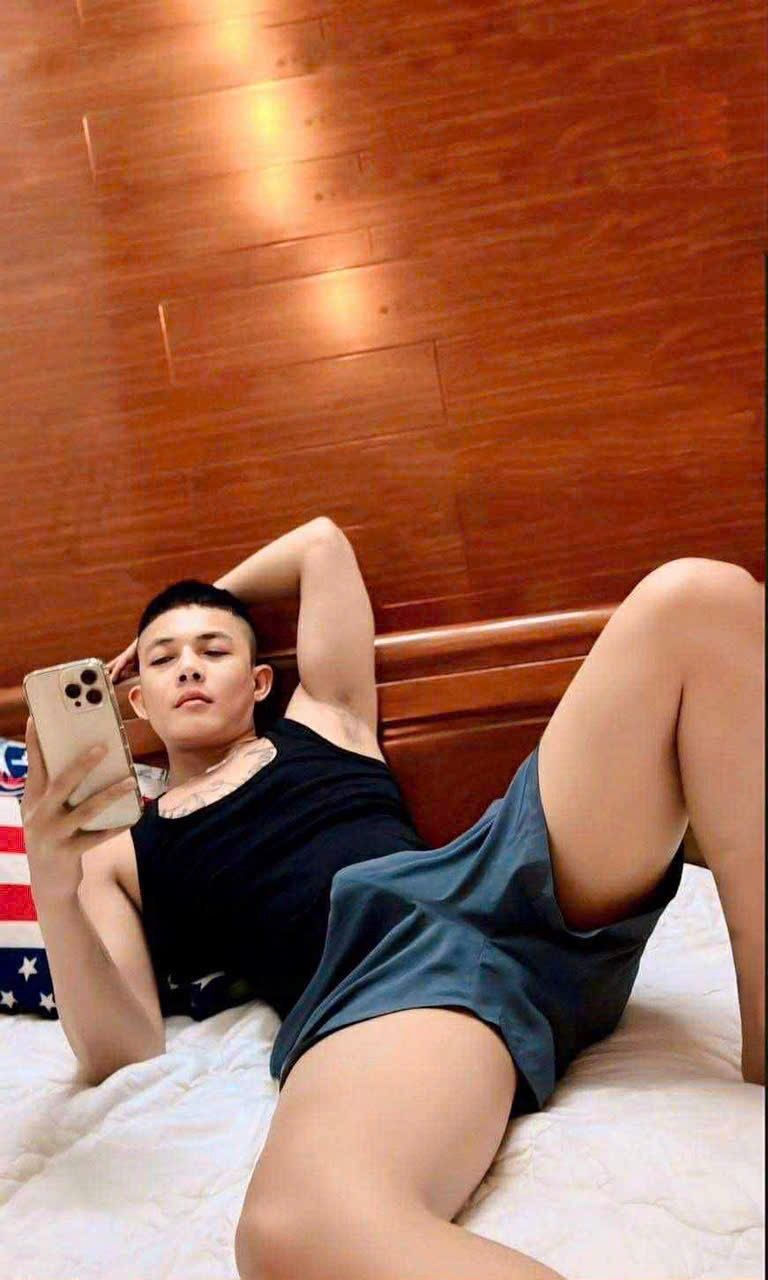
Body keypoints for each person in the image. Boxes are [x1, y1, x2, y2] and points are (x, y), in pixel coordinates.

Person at [105, 525, 765, 1280]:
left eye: (214, 649)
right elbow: (117, 1048)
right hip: (385, 987)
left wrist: (200, 599)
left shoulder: (323, 716)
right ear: (137, 698)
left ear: (259, 682)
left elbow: (321, 545)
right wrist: (53, 862)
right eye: (163, 659)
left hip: (498, 874)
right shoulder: (120, 852)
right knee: (296, 1232)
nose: (189, 666)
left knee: (699, 597)